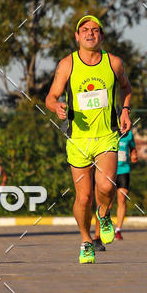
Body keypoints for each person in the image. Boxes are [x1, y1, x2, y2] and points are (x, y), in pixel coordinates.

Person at [45, 14, 132, 264]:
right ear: (77, 36)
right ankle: (85, 240)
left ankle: (103, 214)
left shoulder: (113, 63)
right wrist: (56, 107)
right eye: (84, 29)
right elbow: (51, 96)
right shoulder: (67, 65)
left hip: (106, 135)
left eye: (95, 29)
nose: (90, 33)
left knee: (105, 187)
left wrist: (125, 110)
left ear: (102, 36)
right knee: (83, 197)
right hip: (78, 138)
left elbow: (126, 88)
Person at [114, 128, 138, 240]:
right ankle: (106, 226)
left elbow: (133, 148)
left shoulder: (129, 134)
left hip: (124, 171)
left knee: (122, 199)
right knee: (107, 202)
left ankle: (118, 230)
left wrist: (134, 155)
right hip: (110, 172)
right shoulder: (110, 132)